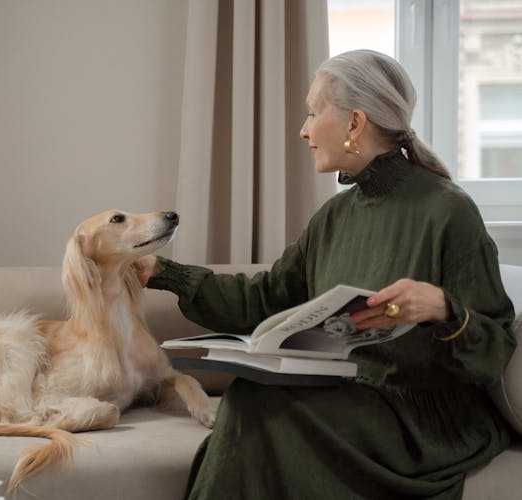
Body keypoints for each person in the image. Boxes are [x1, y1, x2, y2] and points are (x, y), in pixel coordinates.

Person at [134, 50, 517, 500]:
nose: (304, 129)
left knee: (255, 407)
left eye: (314, 113)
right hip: (352, 399)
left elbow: (494, 348)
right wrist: (164, 272)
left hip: (424, 416)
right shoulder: (335, 215)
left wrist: (443, 308)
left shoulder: (448, 210)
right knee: (250, 397)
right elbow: (268, 298)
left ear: (355, 124)